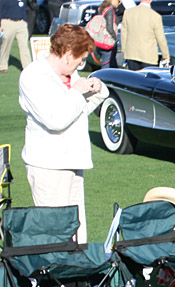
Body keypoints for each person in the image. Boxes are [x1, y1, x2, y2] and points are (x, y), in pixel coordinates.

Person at [19, 23, 109, 244]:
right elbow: (55, 120)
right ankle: (52, 278)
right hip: (48, 166)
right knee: (55, 233)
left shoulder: (71, 74)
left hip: (73, 161)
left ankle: (77, 277)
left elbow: (78, 113)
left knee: (78, 230)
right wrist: (78, 92)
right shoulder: (33, 76)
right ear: (68, 54)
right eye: (80, 59)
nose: (81, 64)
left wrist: (96, 90)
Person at [121, 0, 169, 70]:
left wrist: (124, 50)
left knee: (133, 79)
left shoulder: (128, 13)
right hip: (148, 55)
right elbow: (161, 38)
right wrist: (166, 55)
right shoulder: (155, 16)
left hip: (131, 53)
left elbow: (124, 33)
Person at [0, 0, 31, 74]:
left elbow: (23, 9)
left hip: (21, 23)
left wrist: (25, 21)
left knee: (24, 45)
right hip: (8, 22)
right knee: (6, 44)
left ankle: (27, 66)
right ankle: (2, 65)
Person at [91, 0, 121, 69]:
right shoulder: (110, 11)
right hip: (108, 41)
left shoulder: (102, 9)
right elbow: (109, 27)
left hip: (100, 40)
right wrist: (115, 39)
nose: (119, 3)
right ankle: (104, 78)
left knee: (112, 63)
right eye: (118, 1)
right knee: (107, 64)